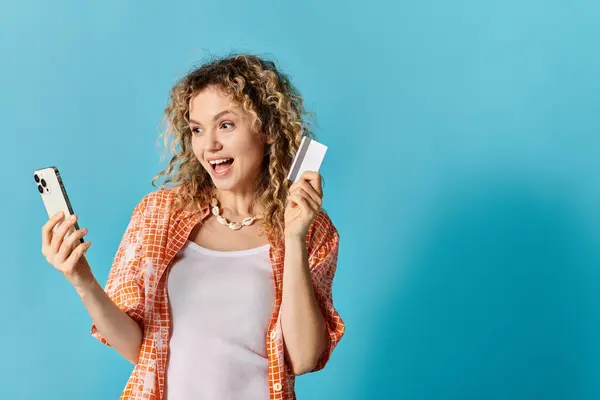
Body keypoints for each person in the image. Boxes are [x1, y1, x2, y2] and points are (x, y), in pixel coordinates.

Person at [40, 53, 345, 400]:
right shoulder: (159, 214)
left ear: (267, 129)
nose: (209, 145)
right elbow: (138, 348)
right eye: (197, 129)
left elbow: (303, 357)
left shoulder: (311, 228)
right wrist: (82, 280)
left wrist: (294, 237)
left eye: (225, 125)